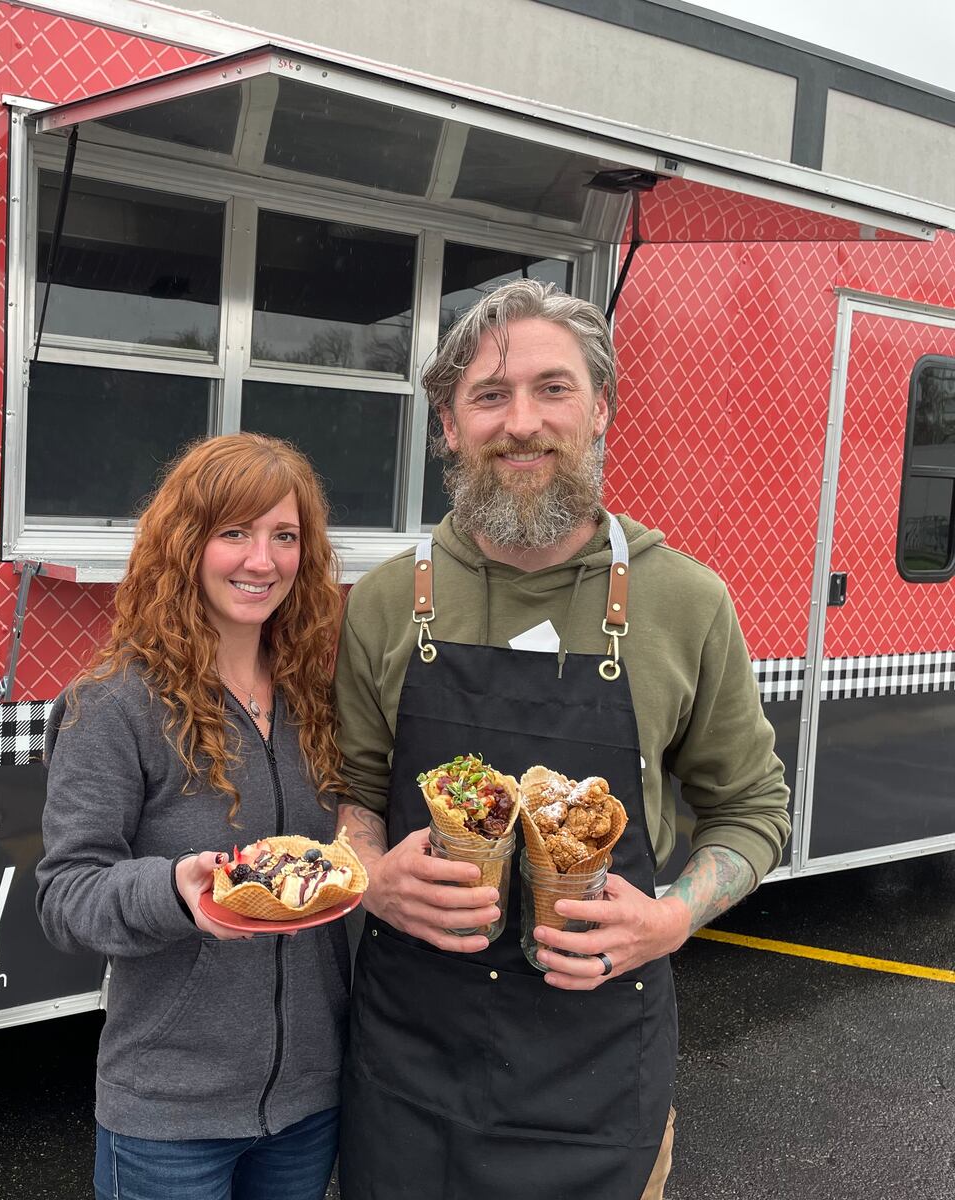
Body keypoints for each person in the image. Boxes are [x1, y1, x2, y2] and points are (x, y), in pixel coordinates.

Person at [334, 279, 792, 1199]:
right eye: (490, 396)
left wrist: (670, 919)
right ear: (450, 427)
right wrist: (370, 878)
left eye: (553, 389)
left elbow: (754, 812)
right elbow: (351, 788)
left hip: (598, 1074)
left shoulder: (685, 602)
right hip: (408, 1063)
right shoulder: (385, 600)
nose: (523, 423)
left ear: (600, 412)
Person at [36, 433, 349, 1200]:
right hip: (169, 1114)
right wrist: (175, 892)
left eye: (285, 537)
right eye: (234, 533)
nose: (262, 561)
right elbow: (65, 897)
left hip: (310, 1103)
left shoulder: (319, 698)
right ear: (185, 545)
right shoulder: (113, 706)